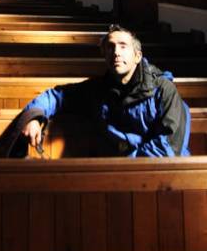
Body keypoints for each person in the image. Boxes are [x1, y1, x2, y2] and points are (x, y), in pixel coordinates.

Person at [11, 24, 191, 158]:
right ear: (104, 55)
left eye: (123, 46)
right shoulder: (98, 89)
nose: (116, 53)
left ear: (137, 56)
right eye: (110, 47)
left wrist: (127, 166)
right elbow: (56, 97)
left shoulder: (163, 89)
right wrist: (34, 116)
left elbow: (169, 146)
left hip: (162, 173)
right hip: (120, 171)